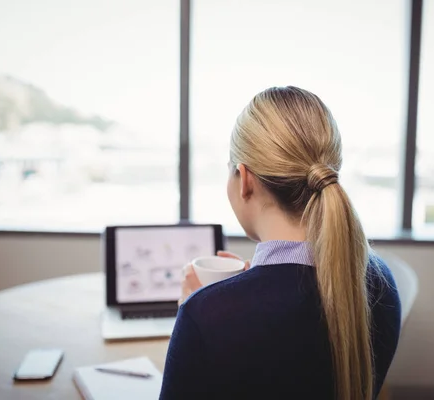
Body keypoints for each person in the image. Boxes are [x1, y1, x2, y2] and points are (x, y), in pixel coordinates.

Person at [159, 86, 401, 400]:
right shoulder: (380, 284)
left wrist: (199, 309)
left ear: (244, 179)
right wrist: (238, 294)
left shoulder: (205, 315)